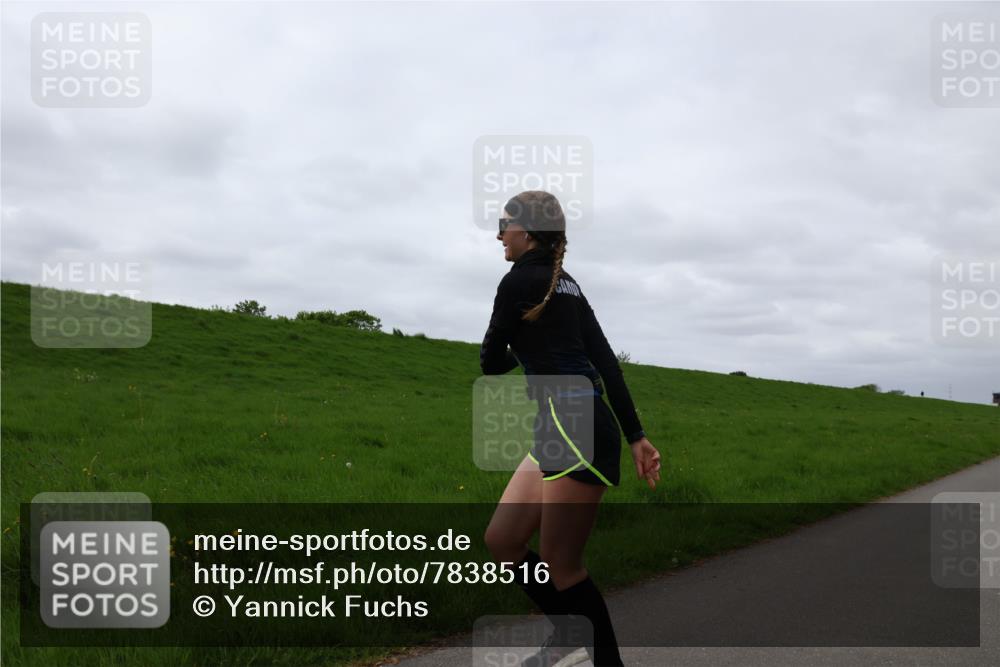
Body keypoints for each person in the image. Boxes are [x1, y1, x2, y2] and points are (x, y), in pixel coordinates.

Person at [480, 190, 661, 666]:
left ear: (527, 232)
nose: (499, 234)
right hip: (566, 423)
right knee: (502, 539)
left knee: (562, 566)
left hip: (572, 425)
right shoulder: (569, 285)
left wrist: (525, 351)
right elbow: (607, 364)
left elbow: (489, 361)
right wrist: (636, 436)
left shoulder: (517, 282)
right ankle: (565, 633)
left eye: (504, 224)